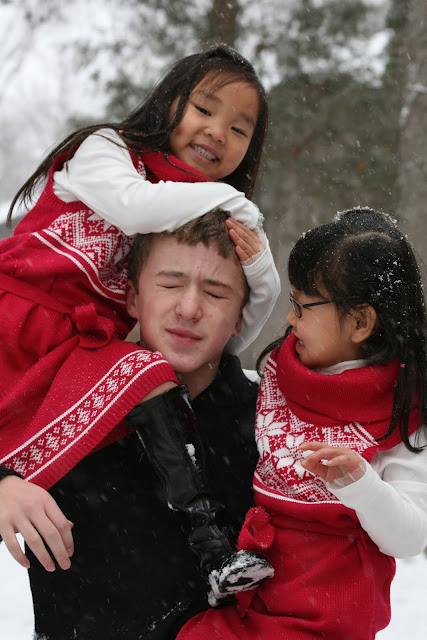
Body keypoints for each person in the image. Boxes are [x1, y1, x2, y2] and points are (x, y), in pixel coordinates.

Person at [0, 44, 279, 600]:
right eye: (204, 109)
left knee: (145, 375)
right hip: (15, 320)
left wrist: (260, 262)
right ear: (168, 101)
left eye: (238, 129)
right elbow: (132, 206)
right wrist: (237, 203)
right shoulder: (107, 150)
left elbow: (239, 324)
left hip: (71, 352)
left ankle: (212, 545)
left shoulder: (194, 213)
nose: (217, 132)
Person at [0, 210, 269, 639]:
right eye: (170, 284)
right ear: (131, 298)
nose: (189, 308)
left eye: (216, 293)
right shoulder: (67, 400)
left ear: (240, 316)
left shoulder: (271, 427)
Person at [176, 207, 427, 640]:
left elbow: (409, 538)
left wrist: (362, 485)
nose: (290, 319)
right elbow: (227, 346)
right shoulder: (283, 372)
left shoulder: (400, 416)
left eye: (301, 306)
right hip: (259, 594)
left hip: (328, 615)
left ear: (360, 322)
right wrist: (259, 273)